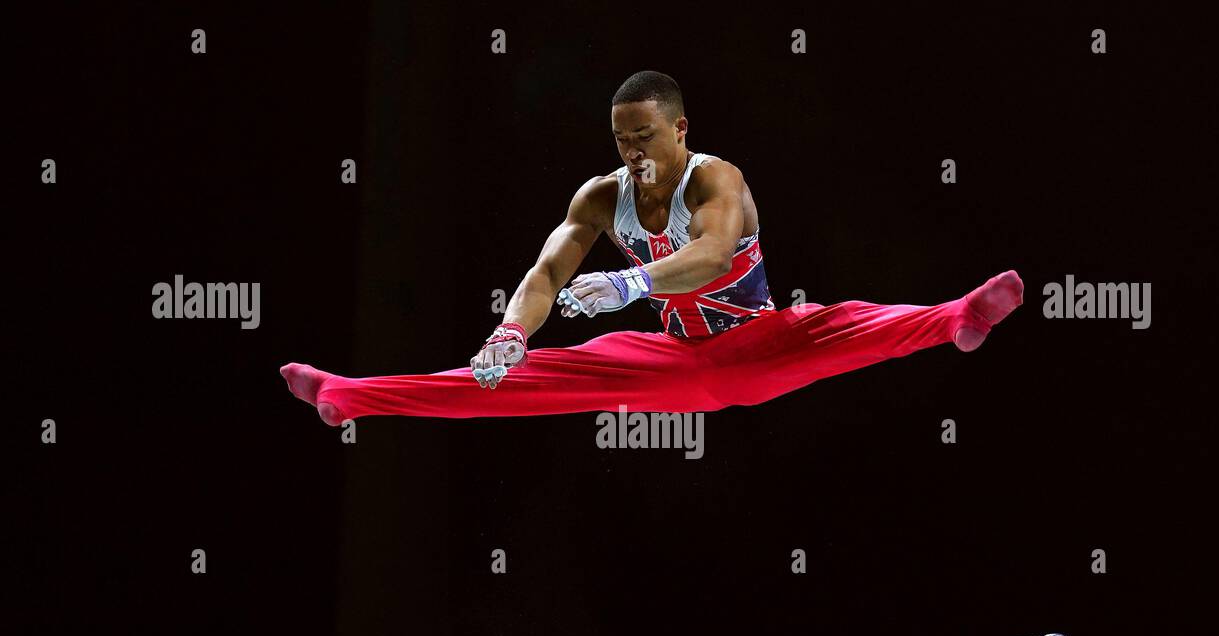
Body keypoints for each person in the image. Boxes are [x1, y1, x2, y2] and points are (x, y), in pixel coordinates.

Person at [281, 70, 1023, 426]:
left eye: (644, 136)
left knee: (842, 323)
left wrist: (633, 287)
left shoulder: (717, 179)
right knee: (512, 376)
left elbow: (711, 254)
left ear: (679, 130)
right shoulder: (600, 197)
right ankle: (350, 397)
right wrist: (512, 330)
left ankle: (958, 316)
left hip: (756, 346)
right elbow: (546, 271)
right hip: (672, 359)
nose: (631, 151)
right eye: (620, 139)